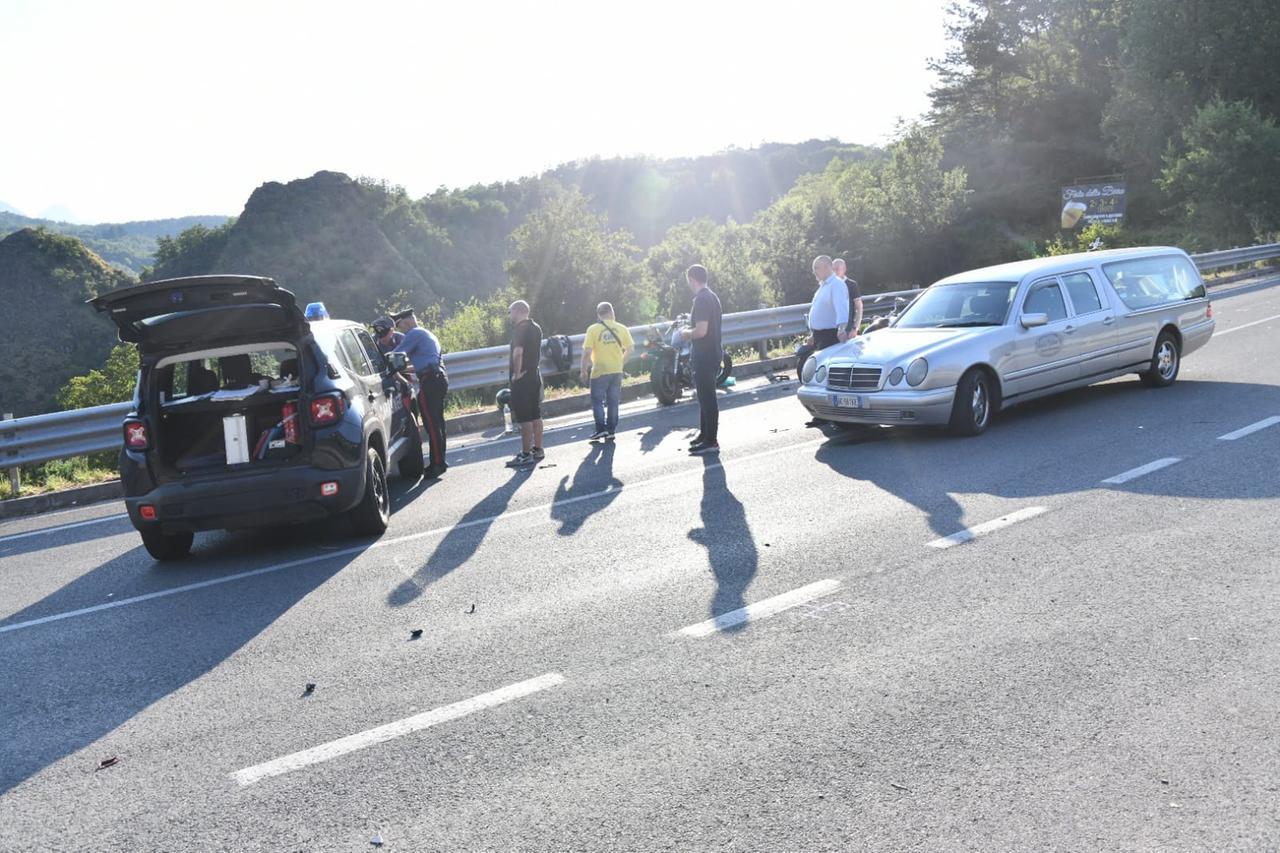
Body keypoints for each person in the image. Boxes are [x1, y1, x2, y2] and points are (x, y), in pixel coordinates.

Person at [391, 308, 448, 478]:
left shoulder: (414, 333)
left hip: (429, 381)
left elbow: (395, 355)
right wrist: (404, 370)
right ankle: (440, 461)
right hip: (438, 378)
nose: (398, 329)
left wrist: (385, 363)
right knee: (438, 423)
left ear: (407, 321)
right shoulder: (425, 333)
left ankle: (437, 464)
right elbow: (422, 362)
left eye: (399, 324)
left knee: (431, 424)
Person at [675, 264, 722, 454]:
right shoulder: (712, 296)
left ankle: (711, 440)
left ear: (692, 279)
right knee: (704, 397)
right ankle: (705, 435)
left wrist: (686, 333)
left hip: (705, 355)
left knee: (707, 398)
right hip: (712, 353)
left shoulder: (701, 299)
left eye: (688, 280)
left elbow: (701, 331)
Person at [580, 301, 634, 440]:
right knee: (613, 401)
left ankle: (600, 429)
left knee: (597, 401)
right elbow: (631, 349)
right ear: (612, 312)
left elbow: (587, 352)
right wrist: (620, 363)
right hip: (616, 370)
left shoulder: (593, 329)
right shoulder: (622, 328)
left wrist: (583, 370)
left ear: (598, 315)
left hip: (599, 370)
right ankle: (611, 430)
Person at [794, 255, 850, 380]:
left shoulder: (836, 284)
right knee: (818, 372)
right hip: (820, 336)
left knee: (827, 373)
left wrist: (842, 329)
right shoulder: (823, 286)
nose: (814, 271)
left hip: (830, 336)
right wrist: (813, 334)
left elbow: (841, 309)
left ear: (827, 267)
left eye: (816, 268)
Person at [506, 300, 545, 468]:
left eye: (510, 312)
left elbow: (518, 353)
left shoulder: (520, 329)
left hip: (523, 379)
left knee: (525, 417)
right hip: (535, 375)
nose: (510, 315)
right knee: (536, 414)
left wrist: (516, 374)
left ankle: (525, 454)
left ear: (517, 311)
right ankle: (538, 449)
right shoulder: (536, 327)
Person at [833, 258, 864, 337]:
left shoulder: (851, 285)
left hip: (847, 330)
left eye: (837, 269)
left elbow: (859, 307)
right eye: (833, 269)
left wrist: (855, 328)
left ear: (844, 269)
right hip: (832, 330)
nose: (834, 272)